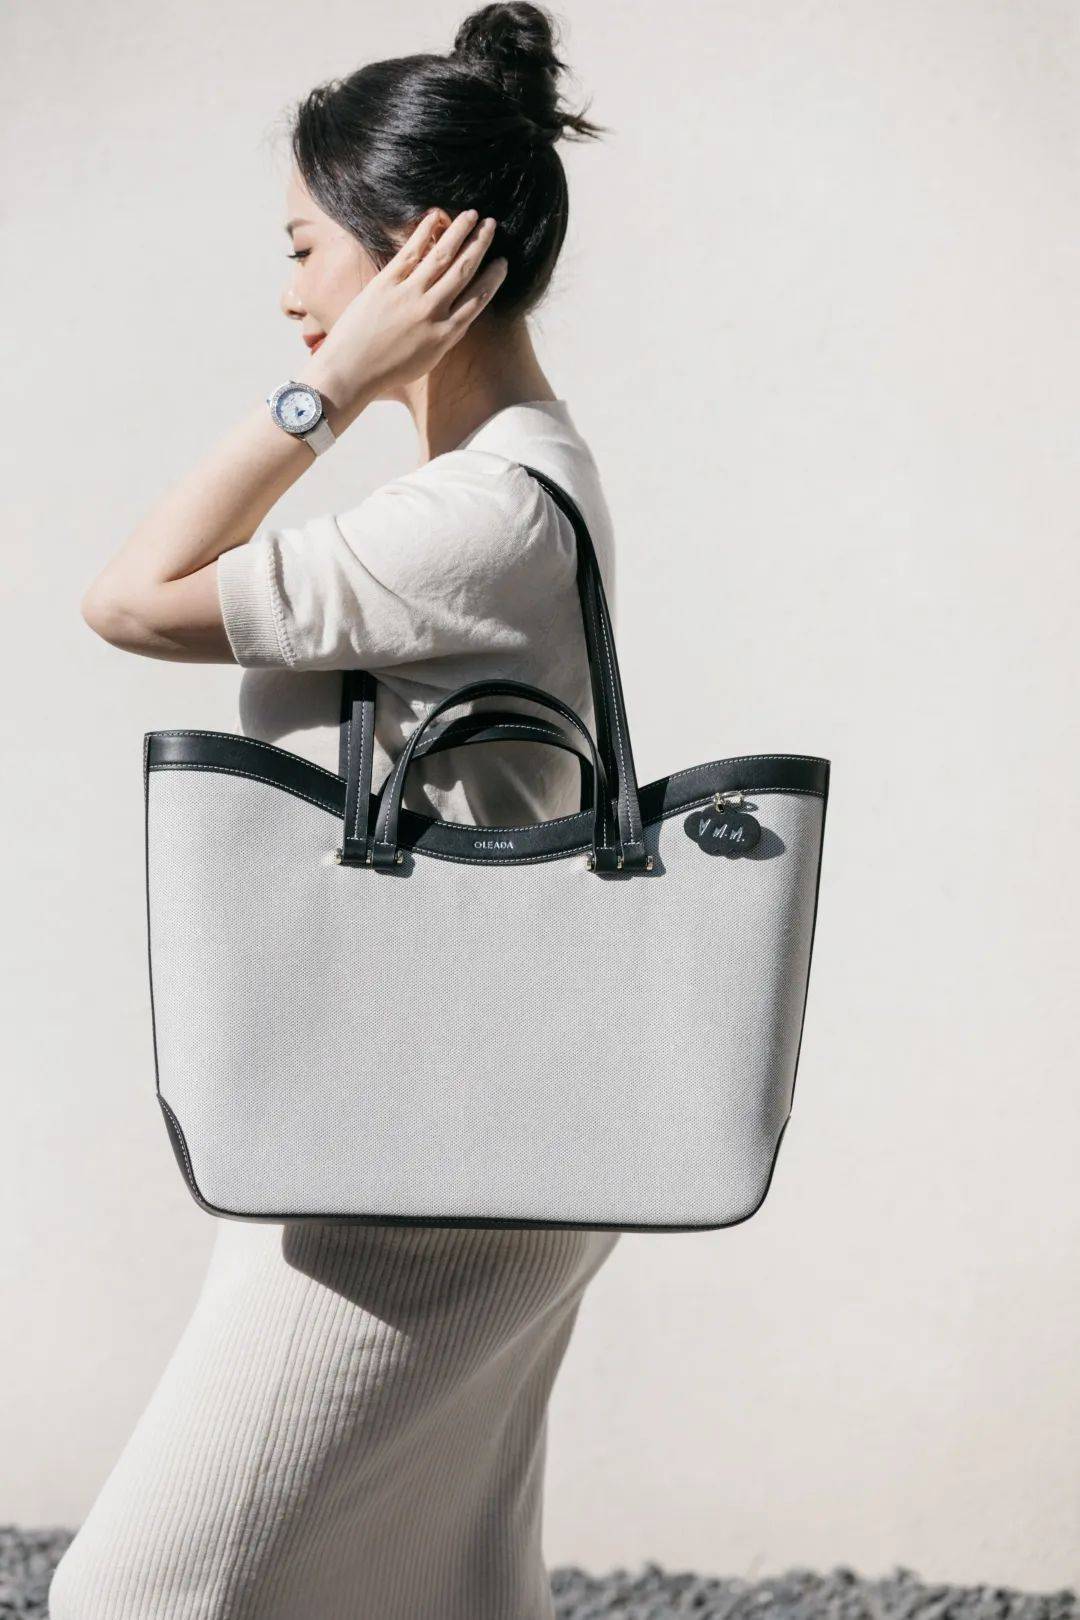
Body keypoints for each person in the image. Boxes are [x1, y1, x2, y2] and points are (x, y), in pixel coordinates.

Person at [48, 5, 622, 1618]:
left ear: (416, 247)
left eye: (307, 247)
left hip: (418, 1160)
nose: (291, 290)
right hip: (440, 1119)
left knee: (131, 1597)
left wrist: (326, 391)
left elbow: (130, 596)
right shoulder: (520, 477)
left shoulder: (478, 516)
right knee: (439, 1589)